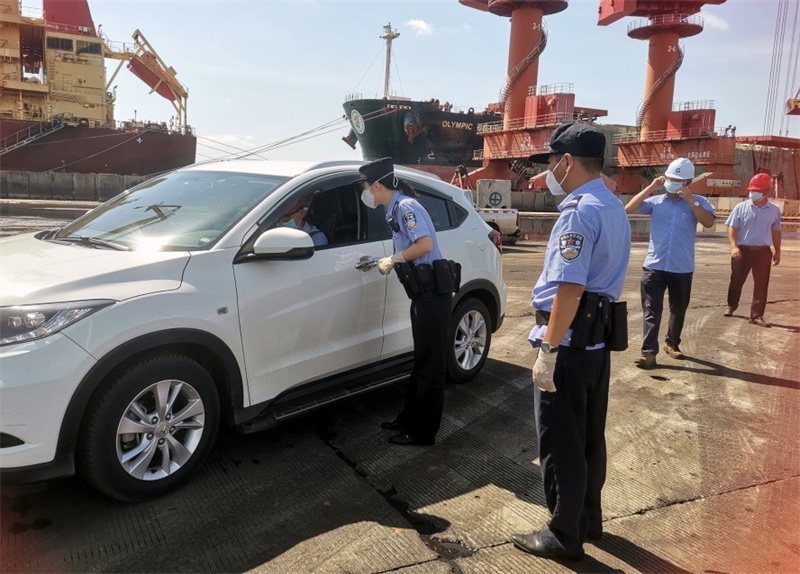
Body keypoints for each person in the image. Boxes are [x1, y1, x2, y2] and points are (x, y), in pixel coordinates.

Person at [510, 123, 630, 561]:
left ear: (566, 161)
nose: (548, 173)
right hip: (595, 346)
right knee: (589, 439)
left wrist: (548, 350)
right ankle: (588, 521)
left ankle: (563, 533)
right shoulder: (612, 205)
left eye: (550, 163)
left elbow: (569, 288)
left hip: (569, 343)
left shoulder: (578, 212)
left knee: (561, 442)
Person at [359, 157, 452, 446]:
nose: (364, 192)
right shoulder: (395, 209)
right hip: (422, 294)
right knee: (421, 360)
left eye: (364, 186)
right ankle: (409, 419)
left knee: (430, 365)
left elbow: (424, 245)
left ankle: (423, 432)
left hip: (432, 295)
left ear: (376, 186)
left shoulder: (405, 207)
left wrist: (394, 259)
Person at [624, 158, 716, 369]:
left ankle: (672, 343)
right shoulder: (656, 201)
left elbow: (709, 222)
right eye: (670, 179)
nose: (672, 183)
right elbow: (628, 209)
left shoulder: (699, 202)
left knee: (678, 309)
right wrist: (650, 188)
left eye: (677, 180)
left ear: (688, 182)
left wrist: (691, 201)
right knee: (651, 310)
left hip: (681, 267)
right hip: (654, 266)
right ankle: (648, 353)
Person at [724, 173, 781, 327]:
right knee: (736, 281)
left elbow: (776, 231)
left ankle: (756, 316)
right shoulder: (741, 207)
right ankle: (731, 305)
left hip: (763, 252)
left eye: (756, 190)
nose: (752, 193)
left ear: (766, 192)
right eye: (751, 190)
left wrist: (777, 251)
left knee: (762, 284)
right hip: (742, 250)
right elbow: (732, 227)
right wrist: (734, 246)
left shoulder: (774, 210)